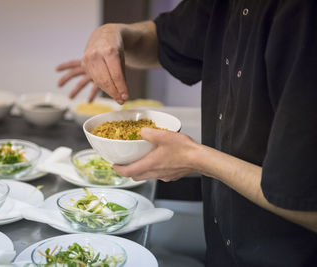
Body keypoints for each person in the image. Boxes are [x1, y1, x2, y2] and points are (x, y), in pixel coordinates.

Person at [56, 1, 317, 266]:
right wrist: (115, 34)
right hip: (221, 249)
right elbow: (164, 40)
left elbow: (308, 206)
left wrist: (197, 159)